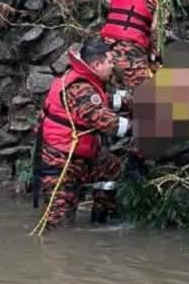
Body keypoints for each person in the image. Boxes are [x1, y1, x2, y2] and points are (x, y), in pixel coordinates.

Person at [36, 36, 132, 229]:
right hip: (61, 163)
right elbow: (108, 123)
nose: (113, 67)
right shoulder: (80, 89)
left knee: (110, 168)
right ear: (97, 64)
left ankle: (102, 219)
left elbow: (104, 99)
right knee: (59, 226)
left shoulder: (85, 81)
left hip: (80, 155)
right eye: (110, 62)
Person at [100, 0, 159, 90]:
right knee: (141, 95)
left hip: (106, 46)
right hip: (131, 48)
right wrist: (155, 55)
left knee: (114, 93)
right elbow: (157, 28)